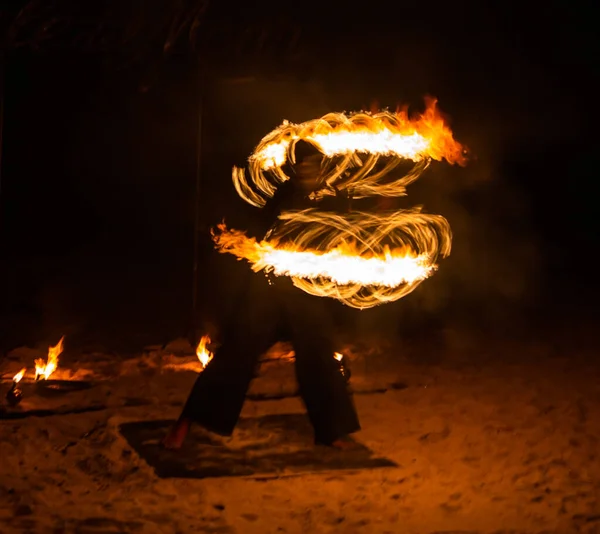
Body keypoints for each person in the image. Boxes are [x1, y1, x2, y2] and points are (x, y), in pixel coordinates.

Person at [162, 140, 361, 450]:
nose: (310, 171)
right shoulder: (280, 199)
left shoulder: (329, 201)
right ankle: (186, 422)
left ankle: (331, 431)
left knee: (319, 356)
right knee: (236, 355)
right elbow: (259, 241)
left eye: (315, 165)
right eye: (304, 166)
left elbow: (339, 242)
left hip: (304, 294)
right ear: (294, 170)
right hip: (267, 293)